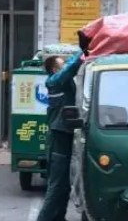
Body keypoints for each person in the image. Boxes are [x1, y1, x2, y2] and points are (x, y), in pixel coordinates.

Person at [36, 34, 90, 221]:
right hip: (58, 136)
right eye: (61, 62)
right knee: (57, 184)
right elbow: (70, 69)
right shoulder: (54, 81)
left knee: (65, 184)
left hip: (65, 134)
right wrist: (82, 51)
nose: (64, 63)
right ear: (53, 67)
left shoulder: (62, 82)